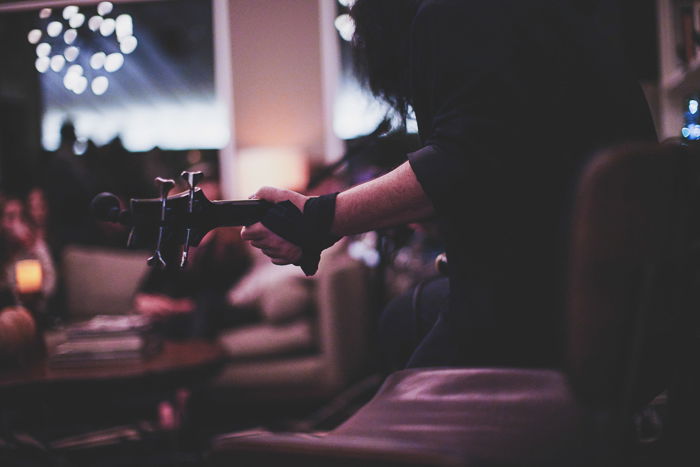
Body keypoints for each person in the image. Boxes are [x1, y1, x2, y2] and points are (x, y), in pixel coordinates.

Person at [240, 0, 657, 370]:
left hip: (551, 313)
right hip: (636, 304)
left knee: (401, 345)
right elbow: (516, 167)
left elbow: (462, 160)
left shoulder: (455, 12)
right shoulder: (568, 18)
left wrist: (319, 217)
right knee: (403, 320)